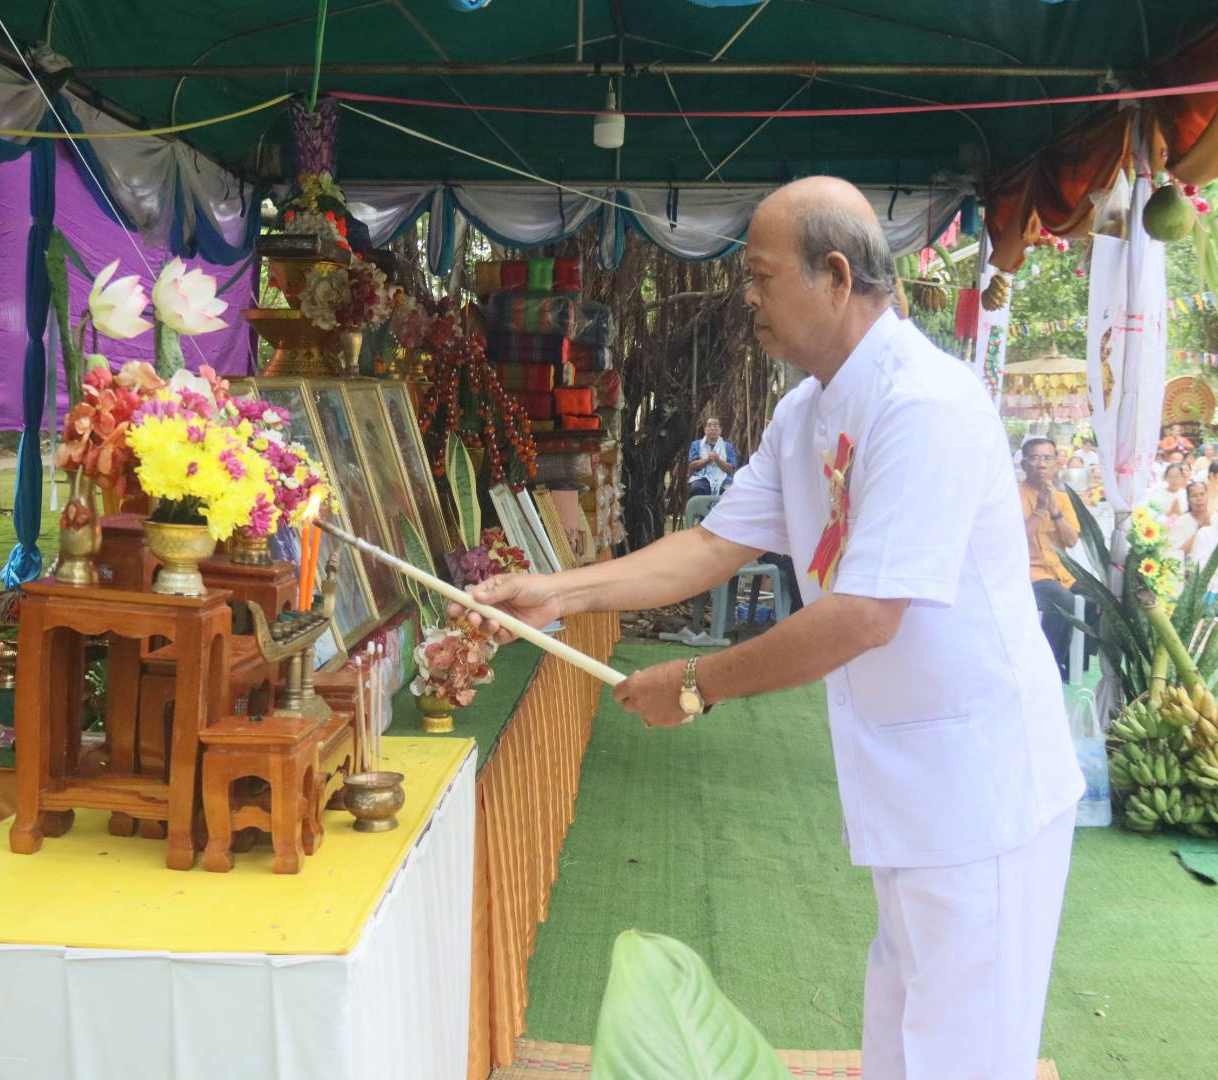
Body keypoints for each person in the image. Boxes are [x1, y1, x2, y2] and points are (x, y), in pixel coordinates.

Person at [457, 177, 1082, 1080]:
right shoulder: (806, 410)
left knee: (963, 1054)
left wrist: (697, 685)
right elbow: (712, 544)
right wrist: (562, 591)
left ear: (834, 275)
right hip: (914, 785)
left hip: (983, 791)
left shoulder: (925, 405)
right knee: (906, 1040)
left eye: (759, 276)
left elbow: (865, 614)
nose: (745, 297)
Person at [1021, 438, 1084, 680]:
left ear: (1056, 463)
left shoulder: (1064, 498)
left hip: (1062, 571)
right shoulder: (1013, 494)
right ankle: (1048, 666)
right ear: (1024, 463)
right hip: (1031, 572)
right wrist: (1039, 509)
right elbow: (1018, 541)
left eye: (1047, 458)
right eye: (1035, 458)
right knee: (1063, 601)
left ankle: (1076, 658)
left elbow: (1071, 541)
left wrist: (1055, 511)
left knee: (1101, 596)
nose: (1041, 464)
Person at [686, 417, 740, 497]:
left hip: (723, 478)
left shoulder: (728, 447)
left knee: (728, 490)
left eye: (715, 426)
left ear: (720, 430)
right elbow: (692, 465)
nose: (712, 428)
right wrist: (707, 460)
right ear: (705, 430)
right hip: (702, 477)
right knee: (696, 488)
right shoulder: (696, 445)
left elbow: (731, 469)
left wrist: (718, 460)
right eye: (709, 425)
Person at [1168, 481, 1211, 565]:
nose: (1199, 498)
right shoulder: (1180, 522)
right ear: (1188, 499)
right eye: (1194, 496)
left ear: (1208, 496)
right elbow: (1178, 554)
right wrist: (1201, 529)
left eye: (1202, 494)